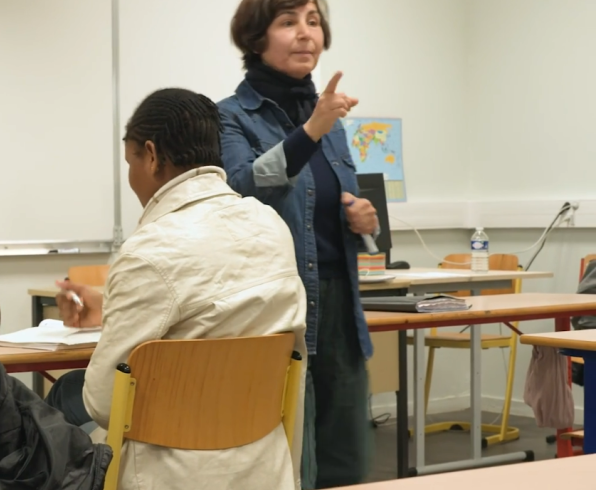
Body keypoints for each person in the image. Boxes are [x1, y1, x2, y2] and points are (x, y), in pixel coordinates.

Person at [47, 88, 308, 490]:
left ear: (151, 156)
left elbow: (103, 403)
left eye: (131, 161)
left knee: (58, 400)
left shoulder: (149, 250)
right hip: (264, 464)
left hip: (169, 473)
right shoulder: (270, 225)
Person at [216, 0, 379, 487]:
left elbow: (337, 205)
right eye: (288, 22)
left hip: (340, 304)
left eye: (313, 22)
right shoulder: (229, 116)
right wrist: (313, 130)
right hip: (277, 306)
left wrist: (364, 221)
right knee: (292, 456)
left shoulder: (329, 119)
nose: (306, 33)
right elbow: (243, 188)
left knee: (347, 456)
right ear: (255, 38)